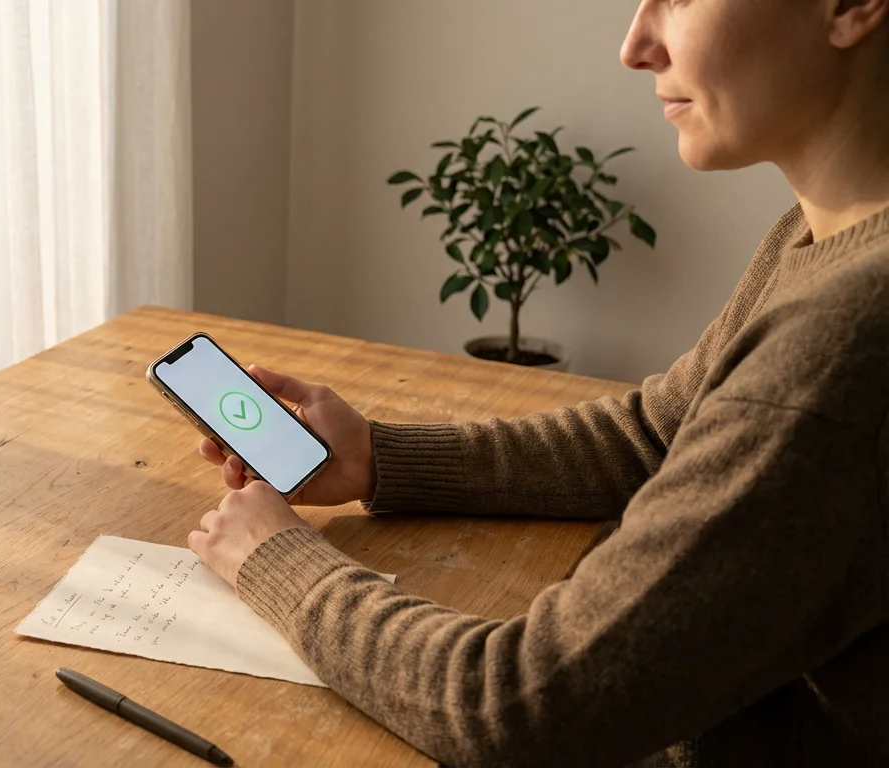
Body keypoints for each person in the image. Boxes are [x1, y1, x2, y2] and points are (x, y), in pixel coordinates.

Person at [185, 0, 889, 765]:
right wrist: (381, 458)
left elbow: (520, 704)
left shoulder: (846, 335)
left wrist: (279, 563)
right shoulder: (817, 235)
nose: (635, 46)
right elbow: (658, 432)